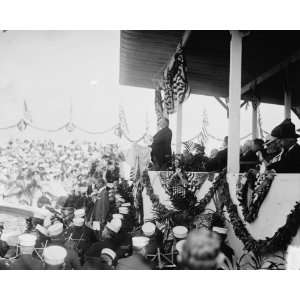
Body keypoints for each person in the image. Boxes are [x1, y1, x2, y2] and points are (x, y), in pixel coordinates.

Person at [85, 177, 110, 241]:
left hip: (100, 217)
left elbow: (105, 207)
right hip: (97, 217)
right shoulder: (101, 192)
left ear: (101, 183)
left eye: (97, 184)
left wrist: (103, 218)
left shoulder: (104, 193)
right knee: (97, 232)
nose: (96, 185)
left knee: (99, 234)